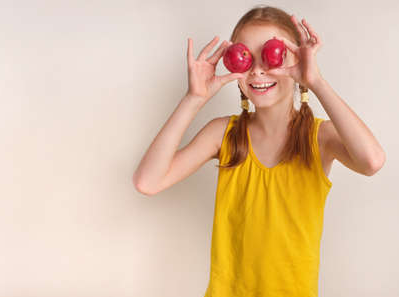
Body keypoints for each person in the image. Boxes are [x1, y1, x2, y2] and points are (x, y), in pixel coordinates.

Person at [132, 5, 386, 297]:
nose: (257, 70)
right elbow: (147, 182)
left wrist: (315, 81)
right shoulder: (223, 133)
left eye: (271, 54)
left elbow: (373, 161)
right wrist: (193, 98)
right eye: (245, 59)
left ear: (298, 60)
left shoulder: (320, 137)